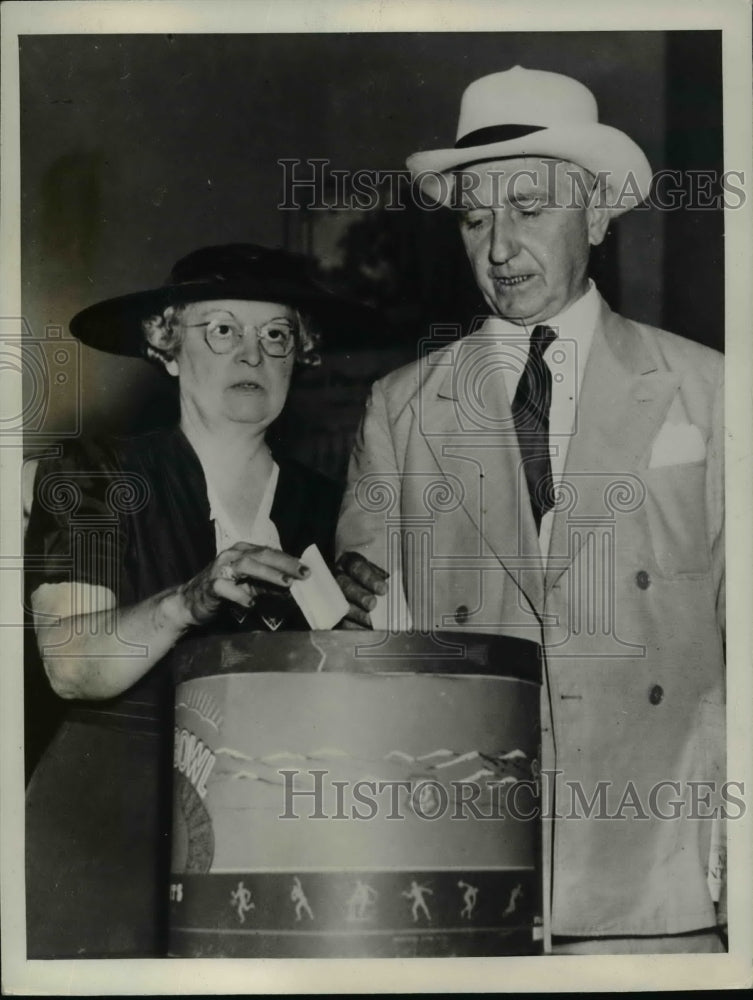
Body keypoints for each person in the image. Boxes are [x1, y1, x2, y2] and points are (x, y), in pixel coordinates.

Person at [335, 67, 725, 953]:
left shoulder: (709, 390)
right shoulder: (400, 408)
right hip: (469, 865)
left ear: (595, 215)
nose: (500, 246)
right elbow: (373, 658)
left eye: (530, 209)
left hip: (662, 861)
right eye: (475, 219)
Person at [24, 242, 361, 957]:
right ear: (165, 343)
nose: (252, 354)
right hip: (105, 828)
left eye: (276, 334)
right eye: (222, 329)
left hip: (264, 831)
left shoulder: (329, 508)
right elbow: (71, 665)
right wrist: (189, 599)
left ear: (300, 354)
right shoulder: (95, 472)